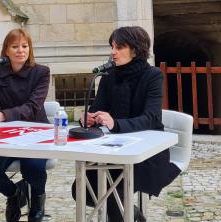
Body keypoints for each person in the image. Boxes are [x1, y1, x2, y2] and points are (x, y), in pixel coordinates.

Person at [71, 26, 181, 222]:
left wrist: (115, 124)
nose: (113, 52)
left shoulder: (153, 75)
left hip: (147, 152)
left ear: (136, 50)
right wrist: (87, 118)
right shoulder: (108, 78)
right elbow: (97, 109)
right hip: (112, 150)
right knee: (81, 189)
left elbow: (151, 117)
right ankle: (132, 213)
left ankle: (127, 214)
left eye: (119, 47)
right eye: (112, 46)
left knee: (113, 188)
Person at [0, 28, 50, 222]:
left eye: (24, 46)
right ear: (6, 50)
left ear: (30, 49)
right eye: (15, 46)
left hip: (35, 132)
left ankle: (37, 199)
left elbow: (33, 106)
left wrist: (3, 115)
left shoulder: (41, 72)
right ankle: (15, 194)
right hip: (7, 134)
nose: (21, 50)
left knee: (32, 168)